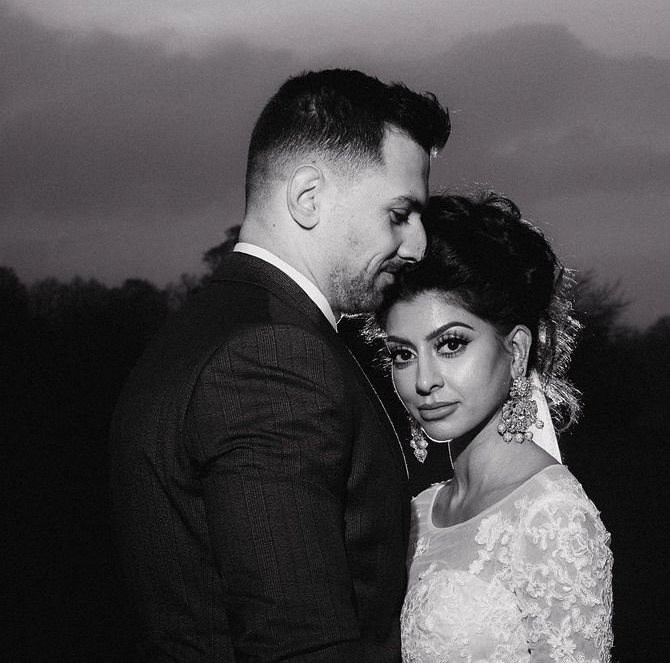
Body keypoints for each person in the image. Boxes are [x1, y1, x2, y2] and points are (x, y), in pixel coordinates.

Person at [109, 69, 450, 659]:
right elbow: (298, 644)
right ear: (308, 197)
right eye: (399, 213)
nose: (417, 244)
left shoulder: (203, 329)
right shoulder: (272, 358)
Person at [375, 193, 614, 661]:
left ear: (517, 350)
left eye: (450, 344)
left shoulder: (550, 516)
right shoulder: (418, 512)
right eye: (402, 354)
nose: (423, 380)